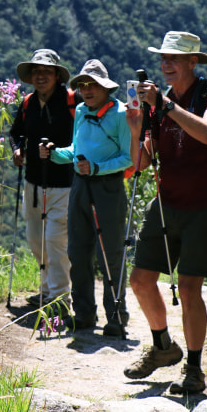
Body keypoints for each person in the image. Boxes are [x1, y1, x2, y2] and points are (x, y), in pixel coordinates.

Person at [123, 31, 207, 394]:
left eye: (173, 59)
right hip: (167, 202)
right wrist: (138, 128)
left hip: (205, 205)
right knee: (139, 279)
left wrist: (165, 107)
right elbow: (142, 162)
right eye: (163, 58)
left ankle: (195, 370)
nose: (165, 64)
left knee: (188, 287)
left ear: (192, 62)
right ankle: (163, 347)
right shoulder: (159, 103)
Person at [39, 59, 132, 335]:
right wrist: (55, 154)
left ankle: (116, 318)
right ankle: (84, 314)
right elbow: (76, 149)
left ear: (106, 88)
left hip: (108, 189)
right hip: (80, 186)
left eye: (93, 85)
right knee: (77, 251)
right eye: (83, 85)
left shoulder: (120, 114)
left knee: (110, 254)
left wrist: (97, 168)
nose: (87, 90)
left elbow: (128, 158)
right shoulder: (80, 110)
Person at [10, 49, 81, 316]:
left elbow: (82, 136)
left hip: (64, 184)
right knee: (36, 240)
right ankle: (48, 290)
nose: (40, 76)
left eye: (46, 72)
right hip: (33, 183)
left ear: (56, 76)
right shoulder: (28, 103)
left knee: (54, 241)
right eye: (36, 72)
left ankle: (61, 299)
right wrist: (17, 150)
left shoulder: (73, 102)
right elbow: (15, 133)